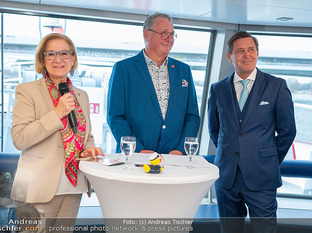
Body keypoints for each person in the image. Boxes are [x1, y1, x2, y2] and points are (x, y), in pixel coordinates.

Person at [10, 33, 104, 232]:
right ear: (42, 59)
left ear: (73, 59)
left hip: (73, 186)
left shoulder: (82, 95)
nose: (58, 59)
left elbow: (86, 134)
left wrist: (89, 149)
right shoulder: (27, 90)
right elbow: (20, 138)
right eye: (51, 54)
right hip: (36, 188)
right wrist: (57, 113)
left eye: (64, 53)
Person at [208, 31, 296, 233]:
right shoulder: (217, 89)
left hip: (262, 176)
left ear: (257, 53)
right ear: (230, 56)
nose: (246, 55)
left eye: (251, 50)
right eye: (240, 51)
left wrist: (268, 158)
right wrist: (229, 154)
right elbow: (215, 130)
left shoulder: (276, 86)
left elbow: (288, 131)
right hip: (227, 177)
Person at [107, 12, 200, 155]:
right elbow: (115, 116)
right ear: (146, 34)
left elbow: (192, 116)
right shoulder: (123, 69)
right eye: (164, 33)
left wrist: (181, 149)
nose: (169, 39)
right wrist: (137, 149)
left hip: (174, 159)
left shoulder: (184, 70)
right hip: (134, 157)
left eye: (172, 34)